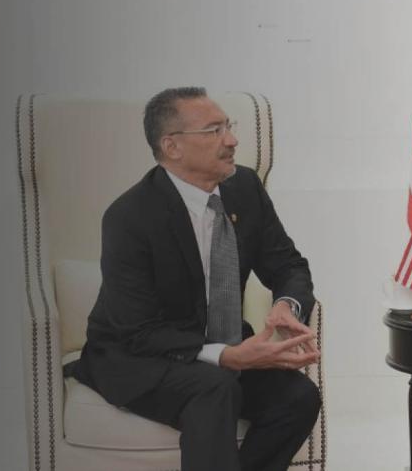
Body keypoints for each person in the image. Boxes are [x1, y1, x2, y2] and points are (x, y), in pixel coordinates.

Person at [71, 86, 321, 471]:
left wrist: (286, 307)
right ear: (173, 147)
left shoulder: (245, 189)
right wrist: (227, 356)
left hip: (219, 345)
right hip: (138, 357)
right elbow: (138, 331)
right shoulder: (129, 217)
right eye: (214, 131)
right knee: (215, 387)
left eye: (229, 126)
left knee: (300, 397)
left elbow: (289, 265)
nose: (232, 140)